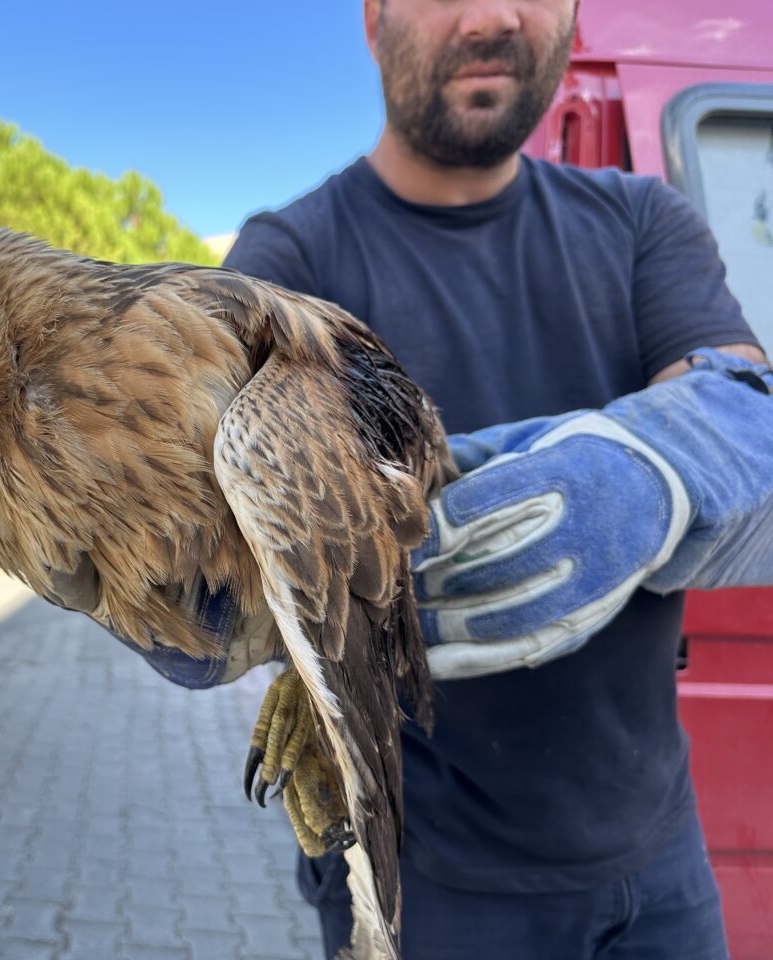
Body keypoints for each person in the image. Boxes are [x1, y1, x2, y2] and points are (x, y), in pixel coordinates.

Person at [206, 1, 772, 957]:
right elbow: (201, 540)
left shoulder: (643, 224)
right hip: (422, 878)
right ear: (374, 17)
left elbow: (746, 410)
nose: (493, 16)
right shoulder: (286, 268)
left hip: (662, 869)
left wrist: (652, 473)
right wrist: (191, 596)